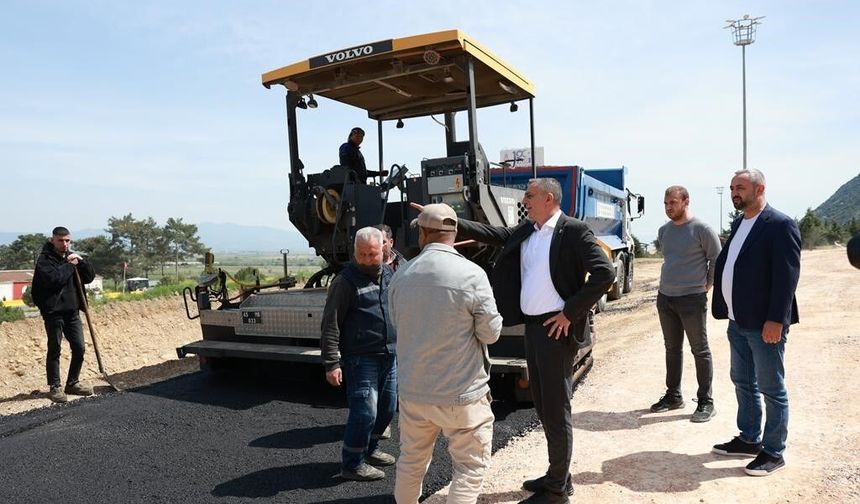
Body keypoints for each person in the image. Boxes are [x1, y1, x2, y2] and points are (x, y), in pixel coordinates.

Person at [455, 178, 615, 504]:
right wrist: (450, 219)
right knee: (543, 407)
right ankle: (559, 476)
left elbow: (605, 273)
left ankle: (556, 492)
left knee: (556, 410)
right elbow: (495, 235)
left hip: (556, 332)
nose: (524, 200)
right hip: (533, 330)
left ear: (548, 198)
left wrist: (570, 313)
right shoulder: (529, 229)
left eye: (529, 195)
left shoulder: (573, 230)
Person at [389, 203, 502, 504]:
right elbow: (490, 334)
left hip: (414, 392)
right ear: (453, 234)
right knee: (469, 467)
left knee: (410, 463)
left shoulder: (402, 275)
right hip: (461, 394)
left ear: (423, 234)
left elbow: (396, 322)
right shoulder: (472, 275)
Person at [711, 169, 801, 477]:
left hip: (765, 324)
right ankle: (750, 438)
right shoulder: (740, 223)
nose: (735, 192)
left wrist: (777, 319)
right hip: (738, 321)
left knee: (771, 387)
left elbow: (786, 278)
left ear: (759, 188)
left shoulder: (780, 224)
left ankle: (774, 451)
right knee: (742, 381)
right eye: (733, 187)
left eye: (740, 187)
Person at [320, 227, 397, 481]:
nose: (365, 259)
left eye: (371, 254)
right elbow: (330, 323)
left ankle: (371, 449)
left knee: (387, 408)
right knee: (365, 412)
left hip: (389, 355)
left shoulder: (388, 273)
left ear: (383, 249)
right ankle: (352, 464)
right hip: (360, 358)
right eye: (361, 254)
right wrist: (332, 363)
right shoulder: (345, 281)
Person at [650, 186, 722, 422]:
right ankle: (674, 396)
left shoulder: (702, 229)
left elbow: (716, 259)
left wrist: (707, 285)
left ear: (686, 202)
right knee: (671, 349)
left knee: (699, 350)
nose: (669, 207)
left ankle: (705, 401)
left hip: (692, 299)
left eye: (673, 203)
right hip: (666, 298)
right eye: (666, 203)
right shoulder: (664, 231)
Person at [30, 226, 96, 403]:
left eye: (67, 240)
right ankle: (55, 386)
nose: (65, 244)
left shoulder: (72, 257)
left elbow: (89, 277)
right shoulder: (45, 260)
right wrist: (70, 265)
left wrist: (81, 262)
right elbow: (55, 279)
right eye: (61, 240)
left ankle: (72, 383)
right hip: (54, 313)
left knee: (79, 348)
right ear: (52, 240)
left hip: (72, 312)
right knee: (55, 349)